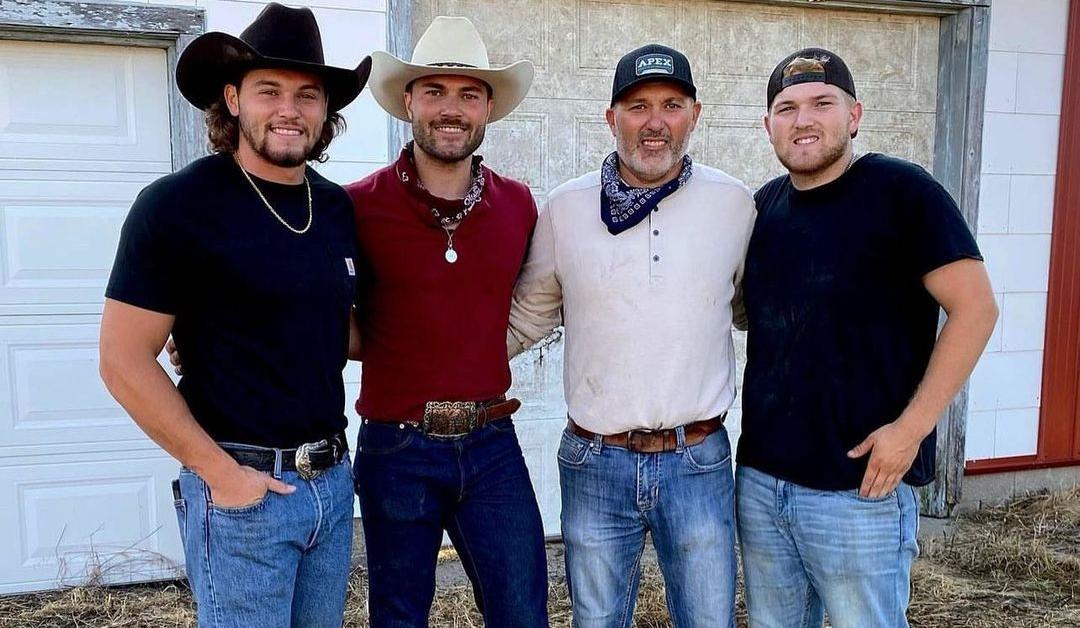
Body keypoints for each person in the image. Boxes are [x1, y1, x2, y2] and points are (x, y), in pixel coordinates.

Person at [98, 4, 371, 626]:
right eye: (268, 90)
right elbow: (122, 360)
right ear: (232, 98)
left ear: (326, 111)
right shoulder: (178, 206)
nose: (289, 110)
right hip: (242, 493)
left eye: (308, 94)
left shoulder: (334, 209)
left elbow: (340, 331)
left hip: (330, 484)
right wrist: (220, 474)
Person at [736, 47, 999, 628]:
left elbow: (975, 310)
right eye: (787, 108)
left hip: (861, 489)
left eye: (821, 103)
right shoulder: (764, 208)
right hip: (761, 483)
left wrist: (910, 430)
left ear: (853, 114)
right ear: (768, 125)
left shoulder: (903, 193)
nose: (803, 120)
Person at [508, 44, 756, 627]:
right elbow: (529, 317)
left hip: (697, 457)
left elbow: (754, 314)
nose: (654, 122)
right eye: (637, 106)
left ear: (694, 114)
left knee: (708, 619)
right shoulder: (566, 208)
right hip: (595, 461)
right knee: (596, 619)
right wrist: (443, 374)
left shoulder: (735, 205)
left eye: (671, 105)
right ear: (611, 118)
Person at [344, 17, 548, 627]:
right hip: (397, 444)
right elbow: (308, 309)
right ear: (408, 102)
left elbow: (531, 301)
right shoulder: (358, 205)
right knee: (399, 618)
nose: (451, 109)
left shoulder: (518, 205)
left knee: (523, 613)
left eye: (469, 93)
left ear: (488, 108)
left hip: (491, 442)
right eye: (434, 91)